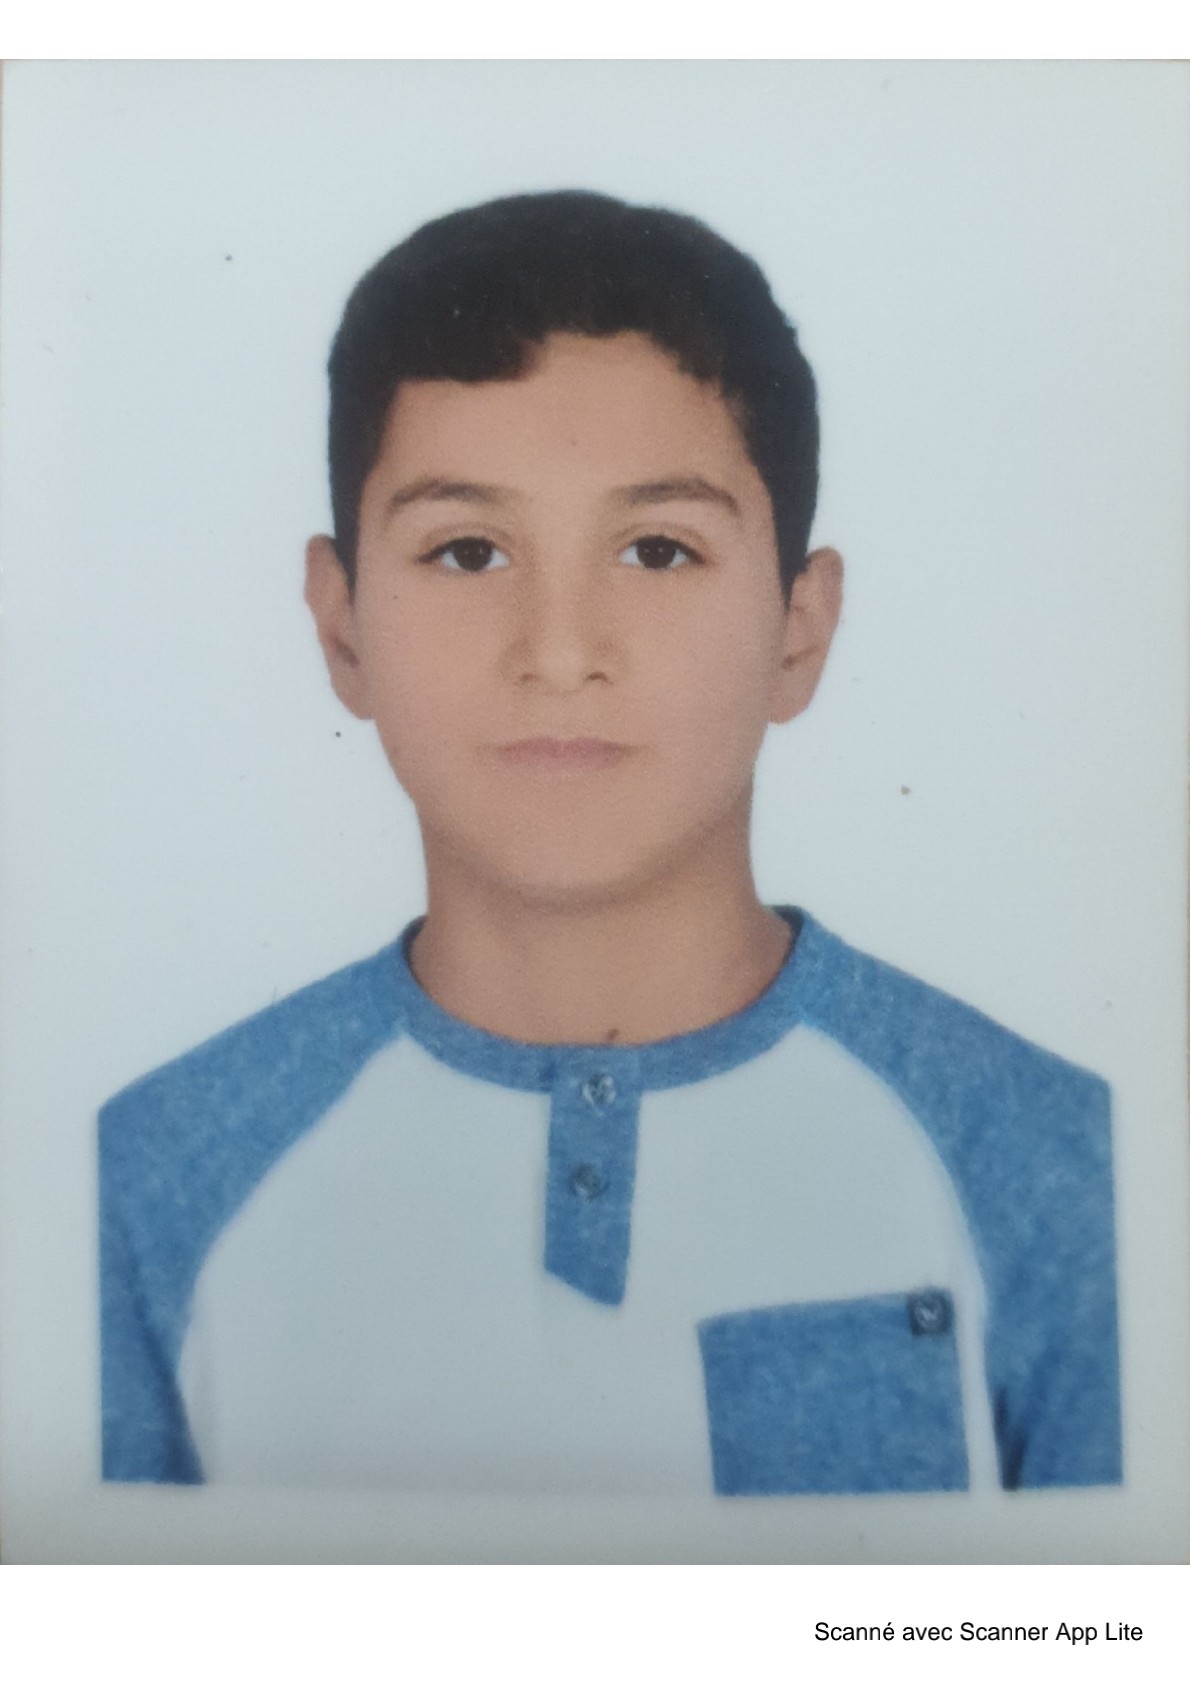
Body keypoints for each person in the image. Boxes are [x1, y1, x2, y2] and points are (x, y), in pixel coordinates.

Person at [99, 190, 1120, 1495]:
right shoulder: (144, 1189)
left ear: (798, 630)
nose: (562, 651)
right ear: (342, 625)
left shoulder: (1060, 1167)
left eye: (657, 550)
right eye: (469, 552)